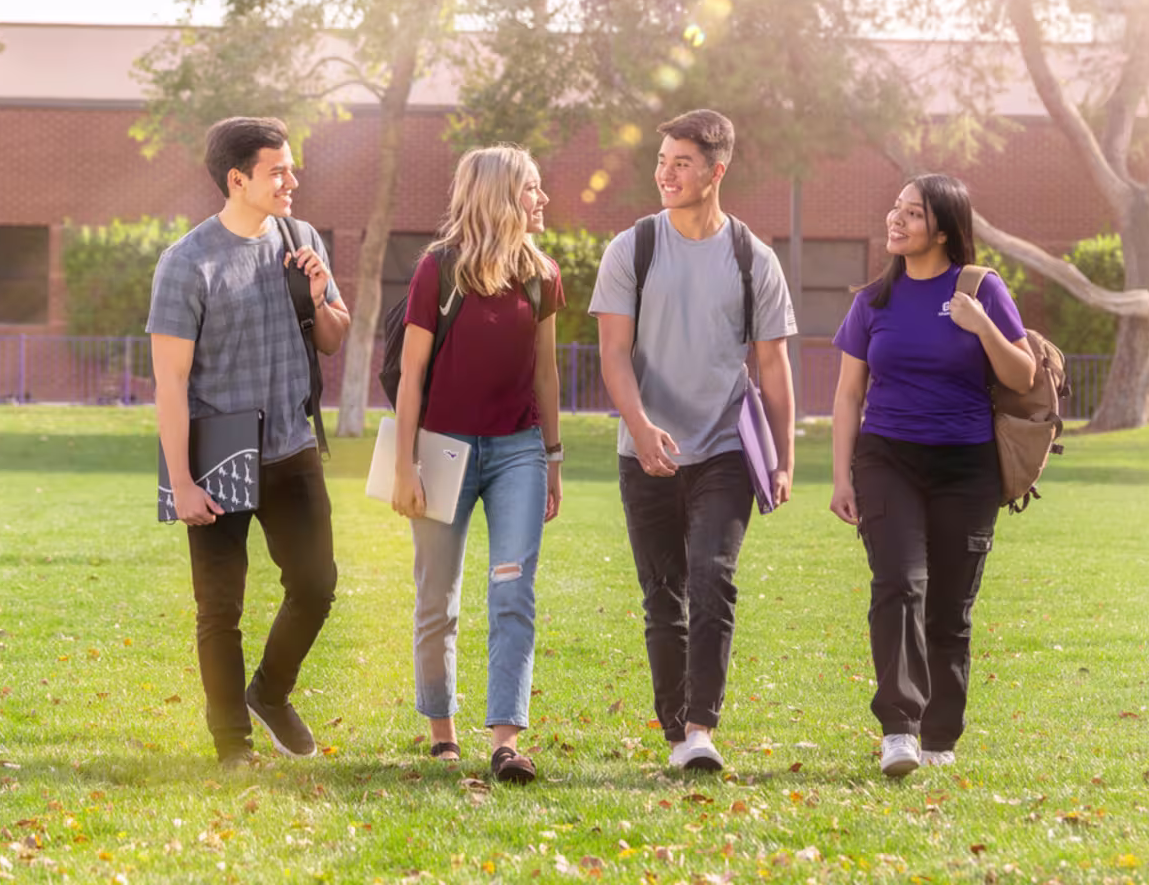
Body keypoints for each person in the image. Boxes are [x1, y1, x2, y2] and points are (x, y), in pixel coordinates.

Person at [590, 109, 797, 774]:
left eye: (681, 162)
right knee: (663, 595)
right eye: (662, 161)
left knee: (713, 576)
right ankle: (679, 733)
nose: (666, 174)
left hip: (724, 453)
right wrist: (642, 426)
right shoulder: (633, 249)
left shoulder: (751, 259)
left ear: (716, 171)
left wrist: (785, 458)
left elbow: (772, 365)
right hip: (643, 451)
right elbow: (614, 354)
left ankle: (702, 728)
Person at [146, 116, 351, 767]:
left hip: (291, 440)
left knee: (316, 585)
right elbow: (171, 383)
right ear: (237, 180)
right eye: (278, 170)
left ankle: (270, 692)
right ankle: (231, 745)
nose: (293, 179)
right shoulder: (187, 263)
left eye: (292, 167)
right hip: (219, 444)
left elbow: (332, 337)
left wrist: (320, 295)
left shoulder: (301, 238)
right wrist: (180, 481)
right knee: (220, 610)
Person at [829, 173, 1035, 778]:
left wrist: (982, 326)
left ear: (943, 229)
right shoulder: (872, 302)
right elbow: (847, 395)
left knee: (949, 605)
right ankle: (899, 727)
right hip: (887, 457)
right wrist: (842, 477)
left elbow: (1021, 375)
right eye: (895, 209)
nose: (896, 220)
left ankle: (941, 735)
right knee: (897, 584)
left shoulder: (982, 289)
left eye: (912, 214)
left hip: (965, 466)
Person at [391, 146, 566, 785]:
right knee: (437, 596)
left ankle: (505, 740)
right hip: (441, 449)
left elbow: (546, 373)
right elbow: (412, 375)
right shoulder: (437, 271)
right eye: (531, 189)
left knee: (512, 590)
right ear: (498, 194)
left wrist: (553, 456)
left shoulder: (542, 275)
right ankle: (442, 731)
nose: (542, 200)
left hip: (518, 449)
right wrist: (407, 464)